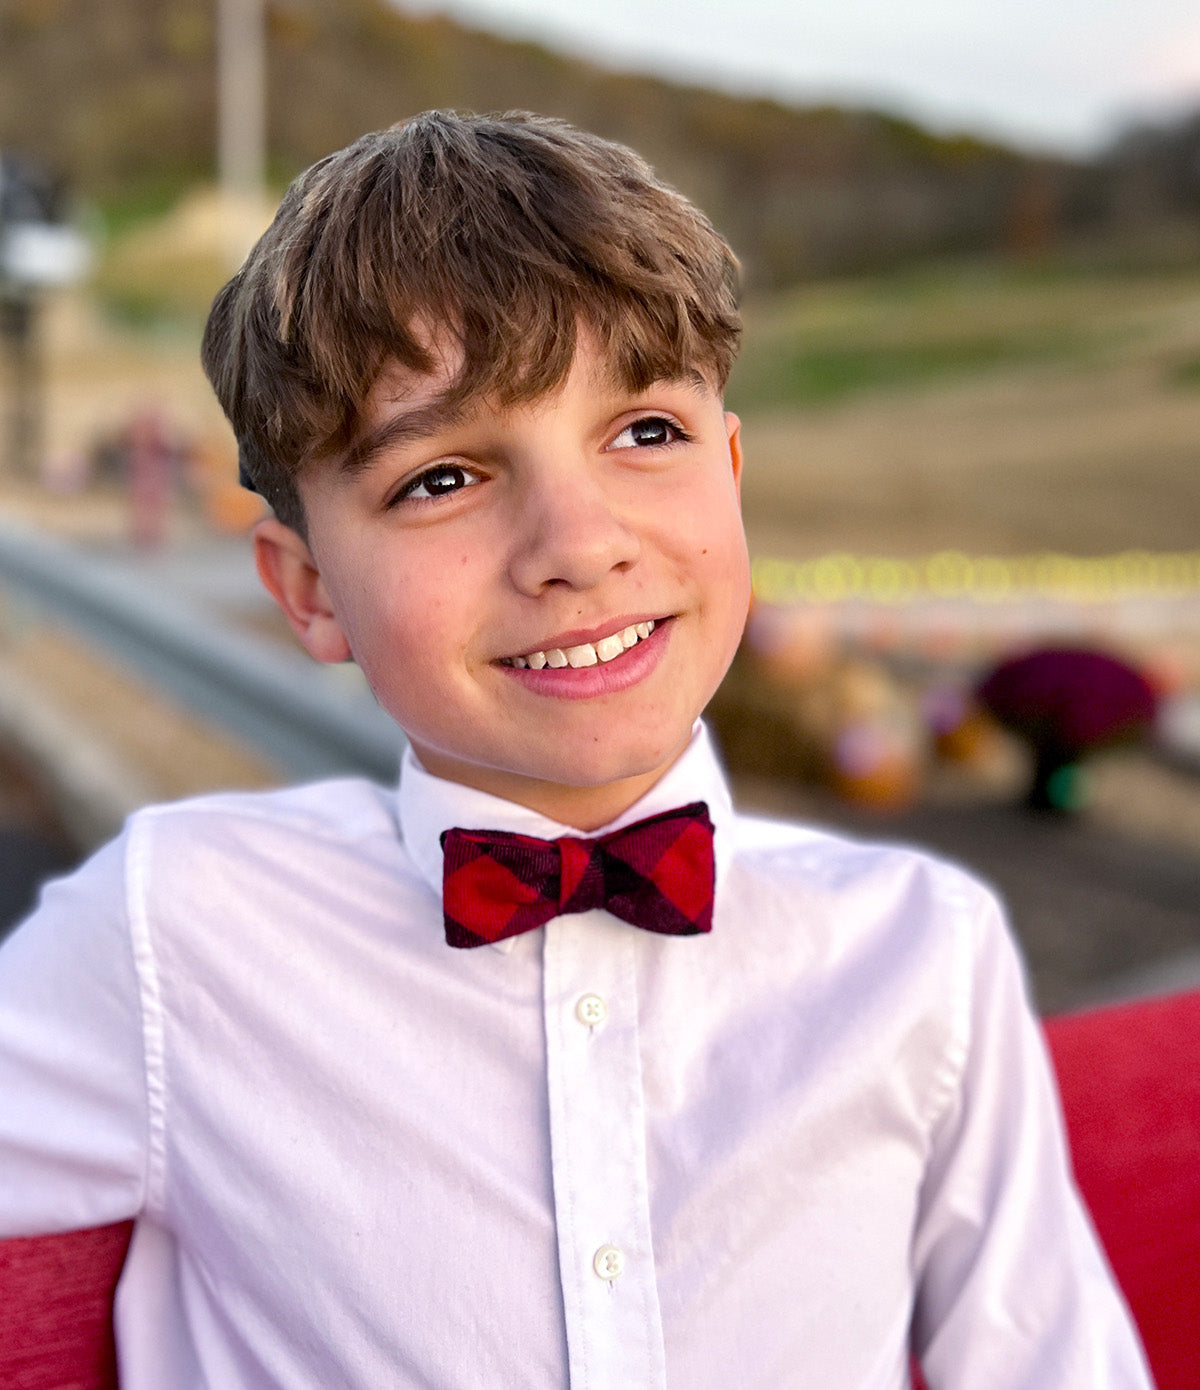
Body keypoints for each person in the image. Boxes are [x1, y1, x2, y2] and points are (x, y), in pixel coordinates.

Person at [0, 111, 1150, 1388]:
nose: (579, 542)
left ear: (730, 467)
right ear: (311, 589)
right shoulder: (177, 930)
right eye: (441, 478)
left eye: (644, 434)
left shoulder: (923, 950)